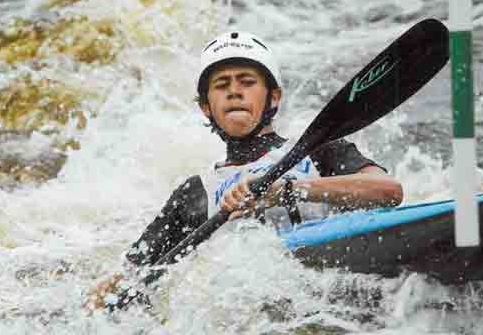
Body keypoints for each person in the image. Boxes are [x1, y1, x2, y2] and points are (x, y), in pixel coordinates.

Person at [85, 31, 403, 311]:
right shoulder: (194, 193)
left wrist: (288, 190)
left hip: (340, 287)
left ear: (273, 97)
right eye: (222, 85)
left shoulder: (316, 149)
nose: (235, 91)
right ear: (205, 107)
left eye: (247, 82)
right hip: (255, 317)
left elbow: (388, 192)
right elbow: (126, 277)